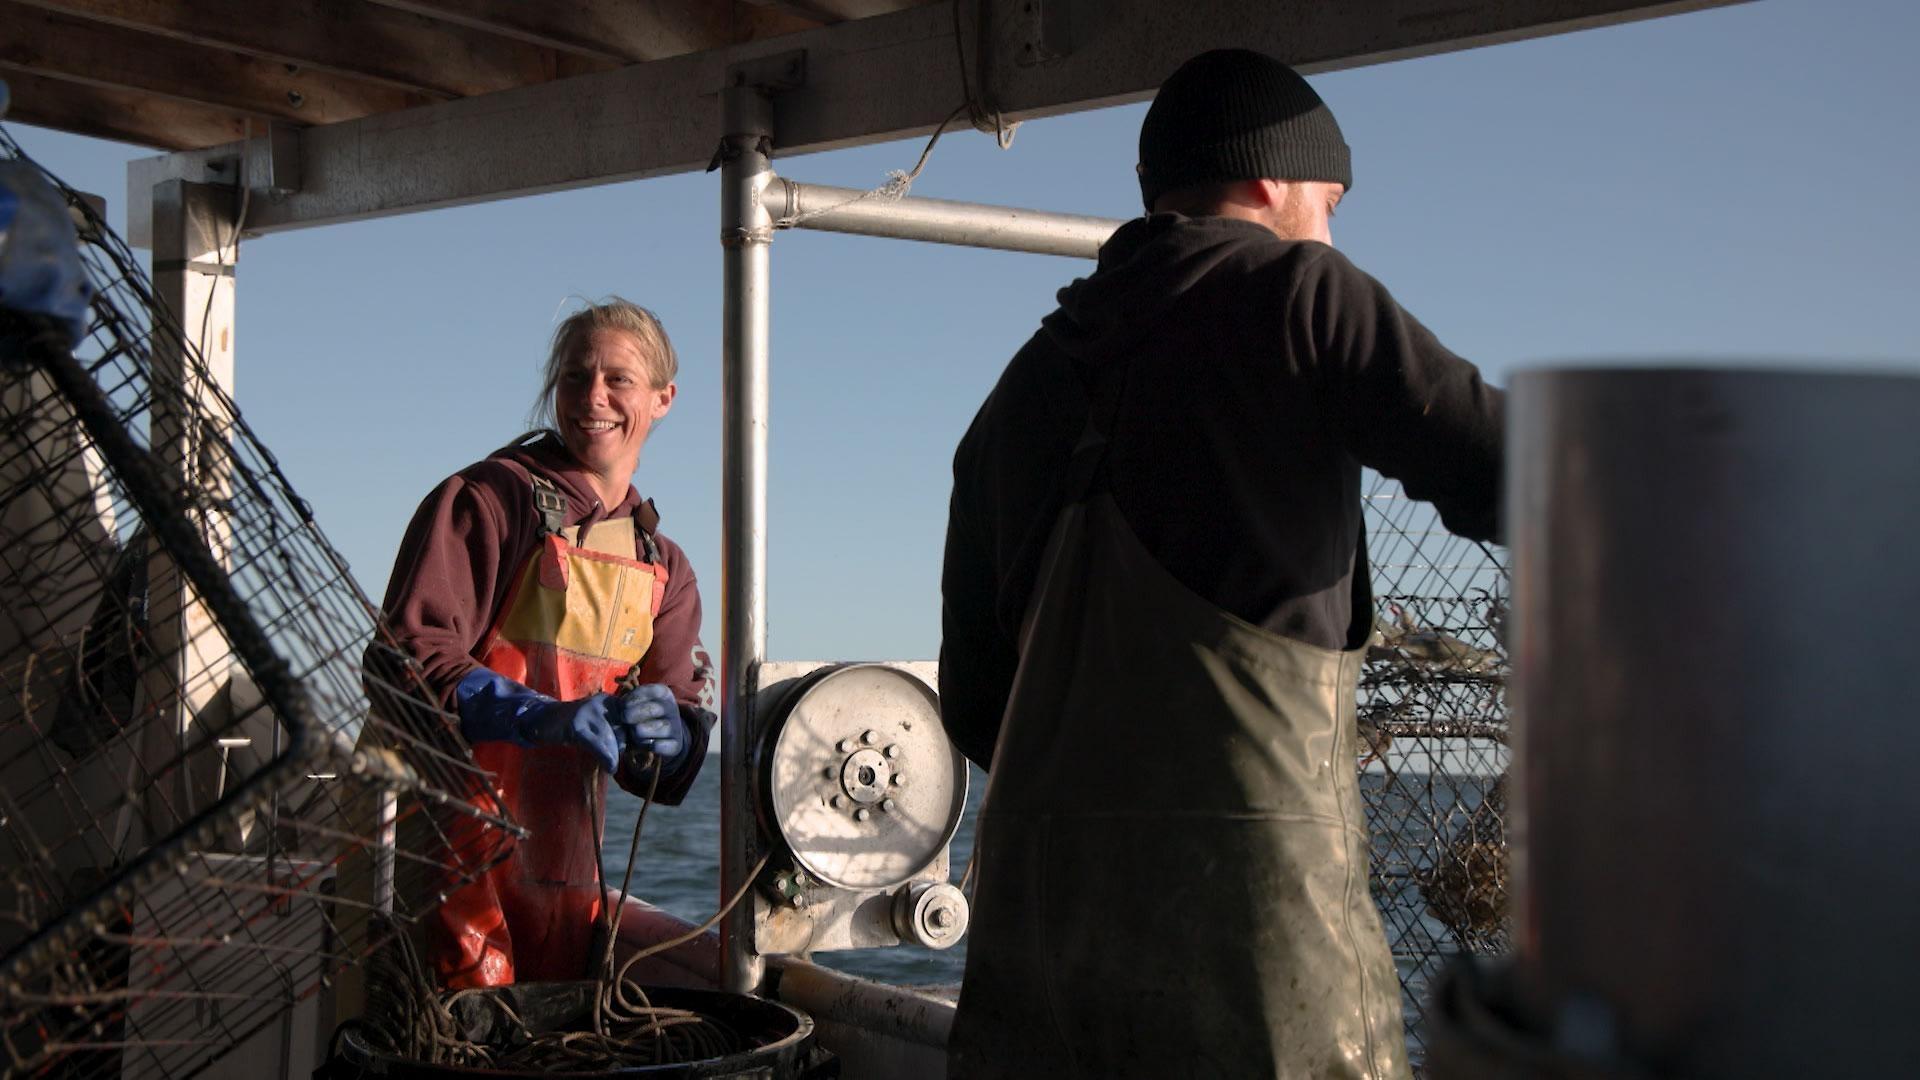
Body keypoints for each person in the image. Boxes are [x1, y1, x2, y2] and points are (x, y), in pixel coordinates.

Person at [939, 50, 1504, 1078]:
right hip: (1258, 960)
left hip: (1039, 952)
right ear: (1269, 176)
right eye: (1330, 201)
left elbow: (976, 708)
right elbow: (1504, 470)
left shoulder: (1018, 393)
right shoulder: (1302, 294)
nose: (1330, 229)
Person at [376, 298, 715, 989]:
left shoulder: (665, 565)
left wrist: (673, 736)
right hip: (439, 856)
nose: (593, 397)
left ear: (663, 399)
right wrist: (533, 715)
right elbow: (403, 656)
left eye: (618, 379)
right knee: (448, 1023)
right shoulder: (486, 500)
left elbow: (673, 726)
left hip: (563, 876)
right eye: (575, 377)